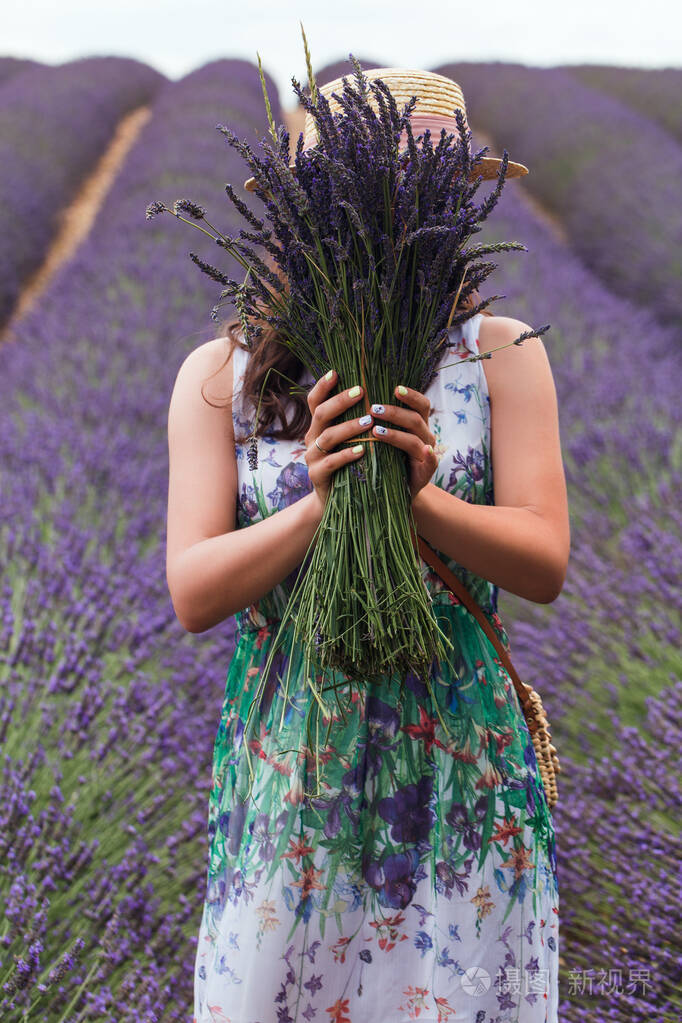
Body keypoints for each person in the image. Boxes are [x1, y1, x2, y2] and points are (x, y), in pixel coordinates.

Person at [168, 67, 570, 1023]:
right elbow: (192, 591)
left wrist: (422, 499)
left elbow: (545, 560)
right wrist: (316, 502)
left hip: (461, 776)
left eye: (422, 197)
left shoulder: (501, 353)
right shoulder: (218, 377)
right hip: (292, 770)